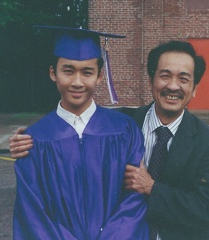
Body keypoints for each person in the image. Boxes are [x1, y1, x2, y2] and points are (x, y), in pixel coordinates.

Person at [10, 40, 209, 240]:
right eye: (165, 75)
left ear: (195, 88)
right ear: (151, 80)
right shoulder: (121, 126)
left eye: (184, 79)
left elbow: (208, 212)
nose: (173, 86)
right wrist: (35, 135)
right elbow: (78, 122)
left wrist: (152, 188)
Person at [12, 26, 148, 240]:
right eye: (68, 71)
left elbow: (134, 199)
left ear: (100, 76)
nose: (77, 82)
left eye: (87, 72)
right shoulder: (33, 140)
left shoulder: (125, 129)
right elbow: (32, 214)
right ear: (52, 73)